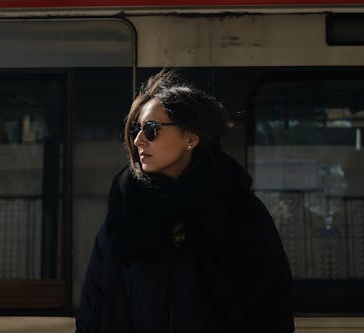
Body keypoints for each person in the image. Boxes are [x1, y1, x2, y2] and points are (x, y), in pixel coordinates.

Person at [76, 70, 294, 333]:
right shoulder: (125, 208)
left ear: (191, 138)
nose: (137, 141)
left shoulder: (239, 210)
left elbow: (273, 307)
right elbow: (94, 305)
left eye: (151, 130)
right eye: (136, 130)